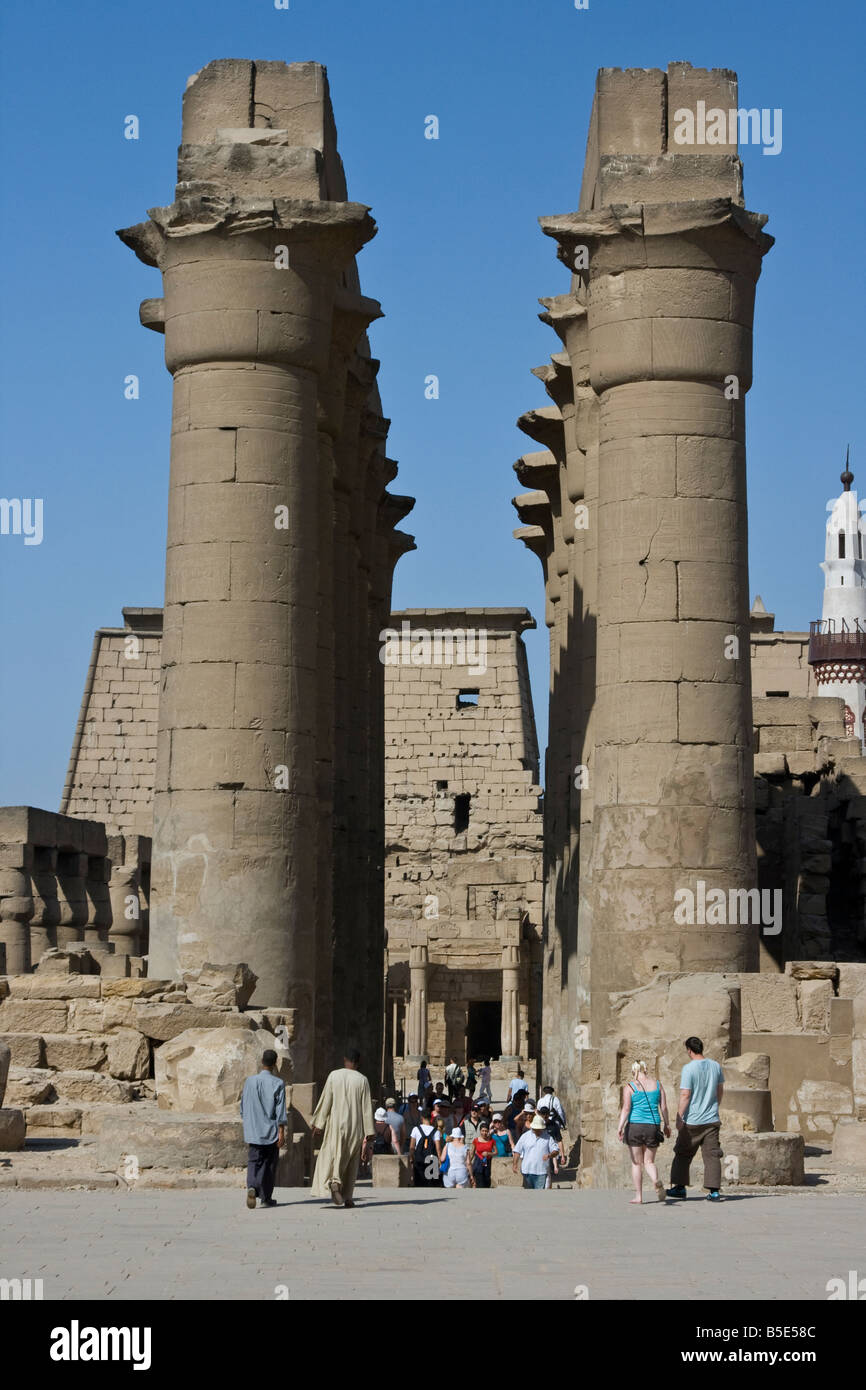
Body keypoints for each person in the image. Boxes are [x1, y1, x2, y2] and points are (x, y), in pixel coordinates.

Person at [311, 1048, 376, 1209]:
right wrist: (370, 1133)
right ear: (358, 1062)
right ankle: (348, 1197)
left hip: (336, 1123)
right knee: (352, 1161)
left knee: (334, 1154)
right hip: (355, 1125)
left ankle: (335, 1181)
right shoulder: (362, 1080)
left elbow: (326, 1100)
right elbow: (366, 1108)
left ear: (345, 1059)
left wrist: (319, 1124)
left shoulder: (334, 1075)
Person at [667, 1037, 725, 1202]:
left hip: (692, 1120)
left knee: (682, 1153)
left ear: (689, 1050)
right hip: (711, 1119)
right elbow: (720, 1089)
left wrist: (679, 1118)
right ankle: (714, 1191)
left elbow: (685, 1094)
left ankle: (679, 1187)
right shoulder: (715, 1066)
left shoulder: (688, 1068)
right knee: (712, 1155)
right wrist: (715, 1105)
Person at [617, 1060, 670, 1204]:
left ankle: (639, 1197)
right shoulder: (658, 1085)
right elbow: (663, 1107)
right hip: (653, 1126)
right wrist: (667, 1125)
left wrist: (620, 1127)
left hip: (635, 1126)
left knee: (636, 1164)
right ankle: (655, 1180)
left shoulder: (630, 1087)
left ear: (633, 1071)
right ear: (645, 1069)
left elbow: (626, 1109)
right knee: (649, 1161)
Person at [240, 1048, 287, 1210]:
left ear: (262, 1062)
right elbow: (280, 1111)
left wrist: (249, 1123)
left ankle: (252, 1186)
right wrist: (281, 1132)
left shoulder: (250, 1081)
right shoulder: (278, 1083)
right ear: (275, 1064)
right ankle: (266, 1197)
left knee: (254, 1160)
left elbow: (243, 1107)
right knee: (269, 1164)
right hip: (271, 1132)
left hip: (253, 1131)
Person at [512, 1114, 558, 1189]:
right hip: (527, 1171)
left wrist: (549, 1155)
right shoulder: (525, 1136)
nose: (537, 1130)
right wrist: (514, 1164)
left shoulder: (548, 1137)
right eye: (535, 1128)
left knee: (538, 1196)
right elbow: (517, 1151)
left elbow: (556, 1151)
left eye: (539, 1129)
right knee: (528, 1196)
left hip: (541, 1171)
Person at [410, 1109, 442, 1186]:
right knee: (432, 1184)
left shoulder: (416, 1129)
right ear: (431, 1118)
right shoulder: (436, 1131)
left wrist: (411, 1159)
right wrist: (440, 1162)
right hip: (432, 1160)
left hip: (419, 1160)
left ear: (422, 1118)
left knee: (419, 1183)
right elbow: (438, 1148)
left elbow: (412, 1147)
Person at [470, 1122, 495, 1188]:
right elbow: (472, 1153)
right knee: (480, 1183)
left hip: (487, 1163)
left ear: (488, 1131)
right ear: (480, 1131)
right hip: (478, 1163)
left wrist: (488, 1153)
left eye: (486, 1131)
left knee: (487, 1182)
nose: (484, 1133)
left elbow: (496, 1152)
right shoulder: (475, 1140)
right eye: (483, 1131)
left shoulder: (491, 1141)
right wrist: (468, 1163)